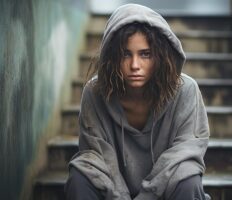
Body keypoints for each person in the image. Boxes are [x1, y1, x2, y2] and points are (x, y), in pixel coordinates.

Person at [65, 3, 210, 200]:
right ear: (112, 56)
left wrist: (147, 196)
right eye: (126, 54)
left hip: (165, 190)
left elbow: (185, 152)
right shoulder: (94, 92)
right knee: (80, 175)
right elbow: (97, 156)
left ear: (160, 56)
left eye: (145, 54)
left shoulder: (185, 90)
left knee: (188, 177)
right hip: (111, 191)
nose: (135, 65)